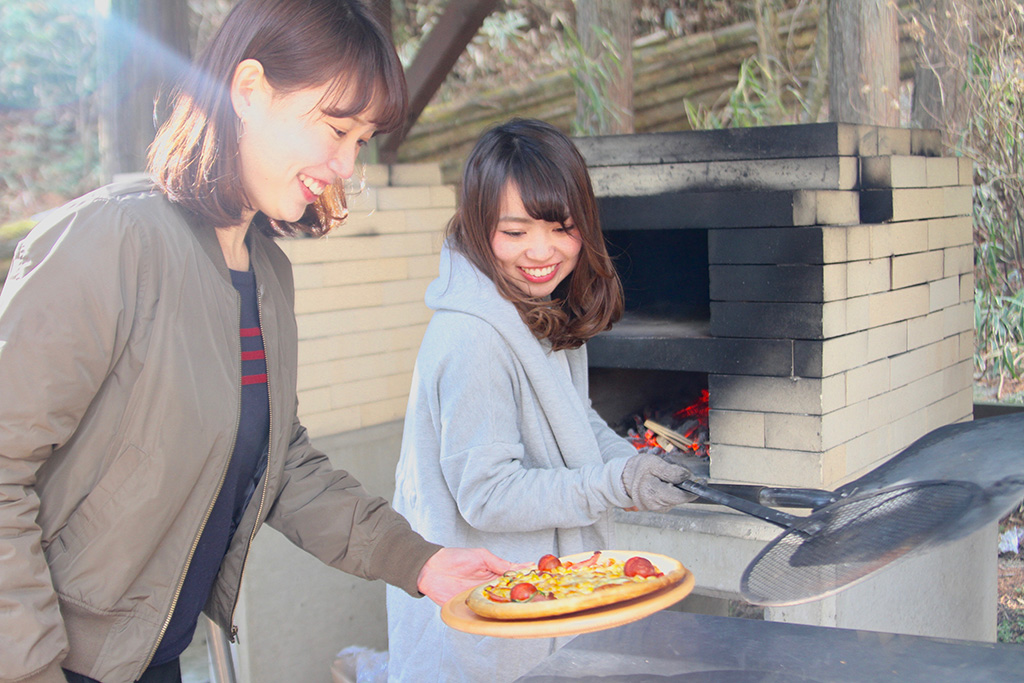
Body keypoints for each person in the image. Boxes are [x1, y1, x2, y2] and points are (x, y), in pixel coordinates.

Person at [0, 2, 510, 682]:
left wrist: (418, 560)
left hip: (153, 660)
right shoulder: (113, 241)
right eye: (334, 127)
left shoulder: (265, 271)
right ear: (248, 91)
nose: (345, 163)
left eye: (360, 140)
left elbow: (281, 464)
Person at [385, 118, 699, 683]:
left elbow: (574, 420)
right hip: (492, 620)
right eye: (515, 232)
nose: (541, 251)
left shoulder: (538, 309)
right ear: (480, 230)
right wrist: (613, 486)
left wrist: (631, 466)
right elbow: (488, 495)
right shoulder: (472, 339)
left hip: (544, 599)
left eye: (561, 227)